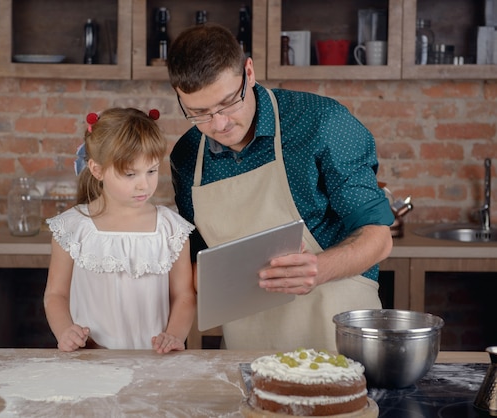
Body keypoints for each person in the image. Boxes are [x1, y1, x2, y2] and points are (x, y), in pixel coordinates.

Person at [167, 24, 394, 351]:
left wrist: (318, 269)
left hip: (336, 332)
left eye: (229, 103)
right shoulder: (187, 156)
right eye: (199, 113)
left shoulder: (321, 122)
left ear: (249, 72)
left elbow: (378, 235)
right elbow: (200, 263)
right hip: (248, 346)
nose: (219, 124)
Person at [43, 108, 196, 354]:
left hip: (155, 362)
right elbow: (55, 295)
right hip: (90, 362)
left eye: (152, 171)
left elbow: (184, 296)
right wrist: (65, 331)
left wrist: (174, 336)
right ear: (97, 170)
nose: (144, 184)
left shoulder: (171, 229)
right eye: (130, 174)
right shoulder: (72, 228)